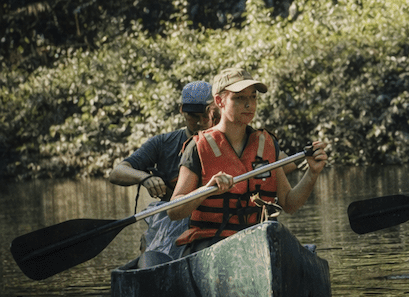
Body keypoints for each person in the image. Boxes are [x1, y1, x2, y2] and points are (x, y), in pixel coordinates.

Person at [168, 67, 329, 251]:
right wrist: (206, 191)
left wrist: (312, 173)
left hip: (260, 242)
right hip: (213, 244)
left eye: (253, 97)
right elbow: (174, 211)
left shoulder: (267, 145)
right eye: (239, 98)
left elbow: (289, 203)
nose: (249, 104)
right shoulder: (197, 147)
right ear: (219, 101)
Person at [108, 80, 216, 266]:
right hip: (173, 220)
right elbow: (117, 172)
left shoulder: (228, 140)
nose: (199, 122)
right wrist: (145, 177)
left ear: (214, 112)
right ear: (181, 110)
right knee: (151, 256)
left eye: (204, 116)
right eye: (192, 116)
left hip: (212, 219)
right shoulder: (163, 143)